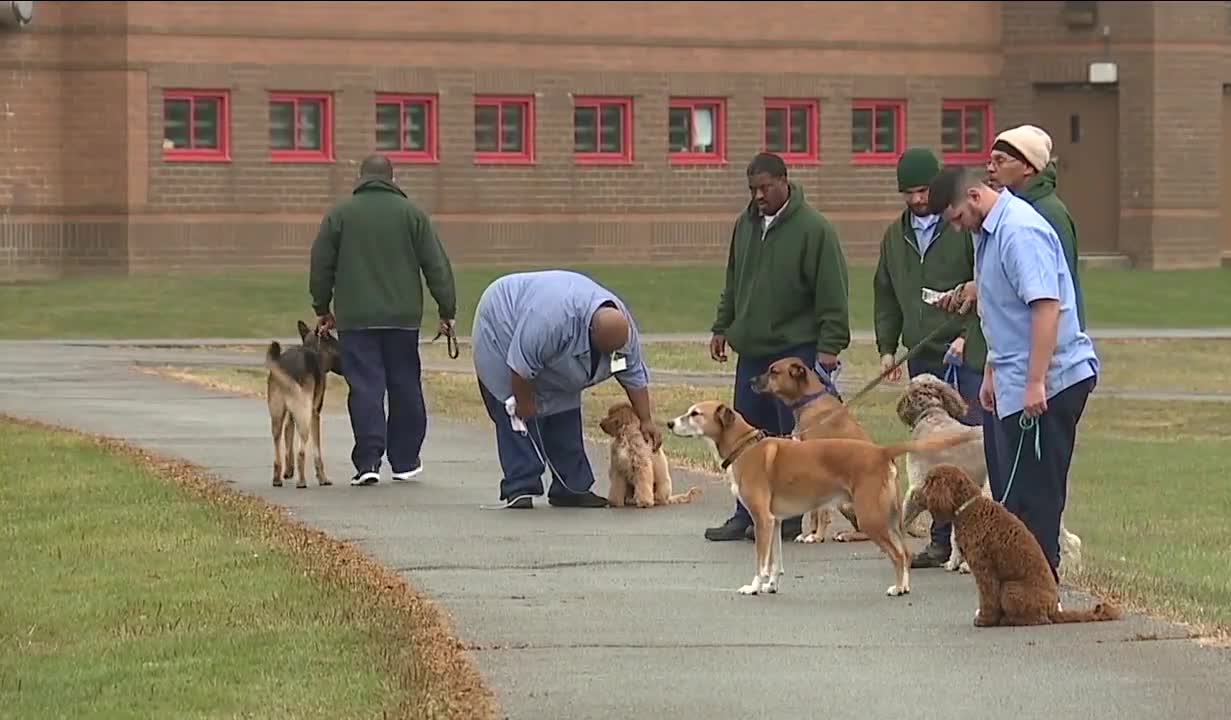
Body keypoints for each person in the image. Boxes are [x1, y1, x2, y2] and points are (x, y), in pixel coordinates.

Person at [927, 165, 1099, 584]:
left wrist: (1036, 380)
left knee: (1037, 495)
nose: (956, 228)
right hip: (1009, 377)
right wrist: (991, 370)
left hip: (1051, 380)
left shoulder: (1020, 231)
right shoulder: (985, 235)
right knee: (1011, 492)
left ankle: (1043, 587)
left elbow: (1045, 307)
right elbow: (1000, 311)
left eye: (955, 218)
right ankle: (1022, 584)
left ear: (972, 195)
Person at [704, 152, 852, 542]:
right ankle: (746, 512)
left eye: (765, 187)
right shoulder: (745, 226)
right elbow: (733, 281)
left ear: (785, 181)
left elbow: (833, 292)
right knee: (743, 433)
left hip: (794, 352)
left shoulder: (814, 229)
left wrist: (829, 347)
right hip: (751, 348)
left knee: (793, 441)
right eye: (752, 189)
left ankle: (787, 516)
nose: (758, 196)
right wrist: (722, 326)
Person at [309, 153, 457, 487]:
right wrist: (446, 310)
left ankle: (368, 461)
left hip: (356, 319)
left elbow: (321, 264)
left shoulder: (340, 215)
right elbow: (436, 265)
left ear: (360, 177)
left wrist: (322, 306)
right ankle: (404, 460)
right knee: (405, 385)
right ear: (393, 178)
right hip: (403, 319)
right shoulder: (412, 215)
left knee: (365, 388)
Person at [871, 146, 985, 569]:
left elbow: (988, 285)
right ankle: (939, 541)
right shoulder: (894, 237)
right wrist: (887, 348)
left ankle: (976, 538)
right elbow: (885, 294)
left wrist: (969, 338)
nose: (918, 200)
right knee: (930, 454)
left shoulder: (962, 227)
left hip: (963, 356)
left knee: (970, 447)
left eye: (923, 190)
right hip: (921, 358)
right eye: (909, 192)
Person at [471, 269, 659, 510]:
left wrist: (646, 419)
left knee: (564, 407)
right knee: (514, 410)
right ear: (591, 332)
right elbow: (520, 366)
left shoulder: (623, 331)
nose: (610, 358)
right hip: (502, 325)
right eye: (605, 352)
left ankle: (571, 488)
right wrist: (524, 402)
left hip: (552, 348)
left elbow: (633, 374)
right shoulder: (550, 321)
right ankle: (521, 486)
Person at [986, 124, 1087, 329]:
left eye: (1000, 161)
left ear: (1028, 166)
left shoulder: (1049, 213)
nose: (990, 168)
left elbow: (1059, 287)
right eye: (990, 160)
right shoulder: (1008, 211)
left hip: (1054, 340)